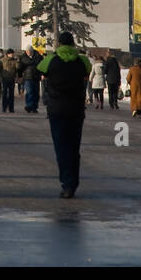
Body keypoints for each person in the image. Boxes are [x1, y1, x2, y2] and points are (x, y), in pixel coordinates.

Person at [36, 32, 92, 199]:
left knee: (61, 148)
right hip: (76, 110)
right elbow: (87, 70)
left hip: (57, 111)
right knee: (74, 148)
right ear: (73, 44)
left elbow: (41, 68)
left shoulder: (51, 60)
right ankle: (73, 183)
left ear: (59, 43)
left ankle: (66, 184)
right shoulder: (82, 61)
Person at [19, 46, 43, 114]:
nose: (28, 52)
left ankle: (34, 107)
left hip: (36, 77)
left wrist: (42, 74)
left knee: (36, 93)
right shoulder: (23, 57)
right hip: (27, 78)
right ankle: (29, 106)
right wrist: (19, 75)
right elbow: (20, 67)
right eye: (27, 51)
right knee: (29, 92)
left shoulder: (38, 56)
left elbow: (41, 66)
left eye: (29, 51)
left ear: (32, 51)